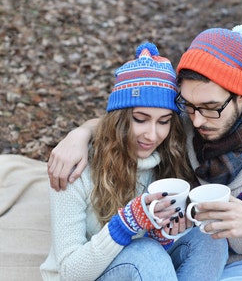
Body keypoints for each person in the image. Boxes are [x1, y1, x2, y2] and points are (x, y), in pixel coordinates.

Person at [48, 25, 242, 280]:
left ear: (240, 96)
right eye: (189, 107)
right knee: (162, 249)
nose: (198, 121)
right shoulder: (177, 131)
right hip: (211, 267)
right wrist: (79, 133)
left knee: (204, 241)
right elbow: (123, 118)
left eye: (210, 108)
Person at [41, 42, 228, 281]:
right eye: (140, 119)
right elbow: (69, 273)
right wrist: (125, 224)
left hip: (143, 269)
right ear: (119, 118)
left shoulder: (168, 158)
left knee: (210, 239)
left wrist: (165, 236)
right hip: (85, 275)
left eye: (164, 121)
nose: (152, 135)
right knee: (147, 253)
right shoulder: (75, 166)